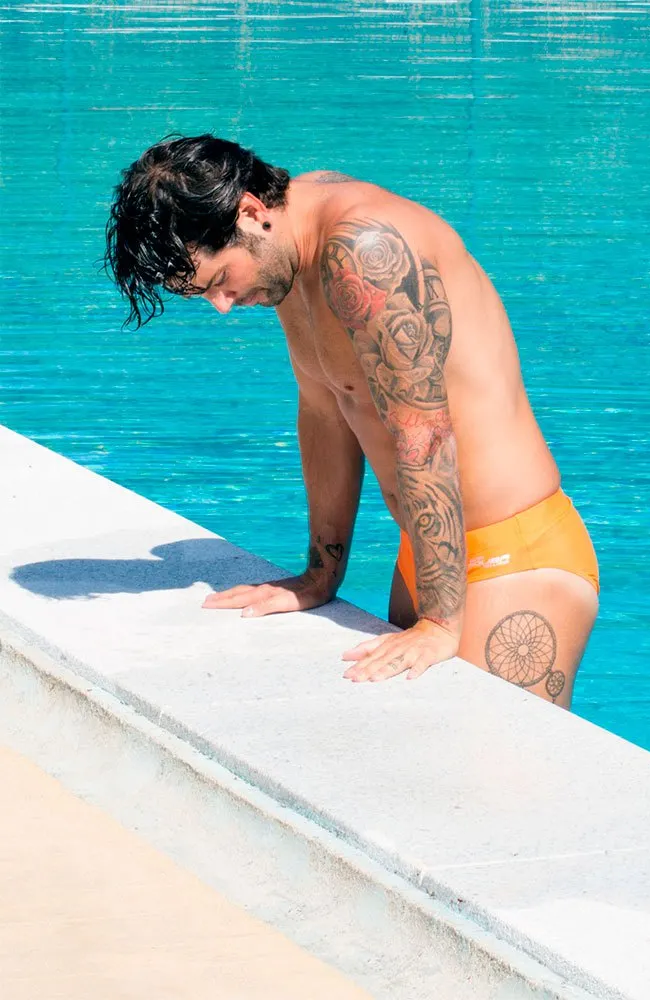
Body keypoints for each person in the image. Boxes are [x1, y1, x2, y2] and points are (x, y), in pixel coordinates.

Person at [105, 134, 599, 707]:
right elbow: (326, 409)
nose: (223, 305)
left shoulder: (365, 250)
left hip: (513, 558)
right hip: (430, 557)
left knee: (500, 763)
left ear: (250, 212)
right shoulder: (287, 247)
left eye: (219, 281)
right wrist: (320, 575)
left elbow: (424, 431)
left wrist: (440, 621)